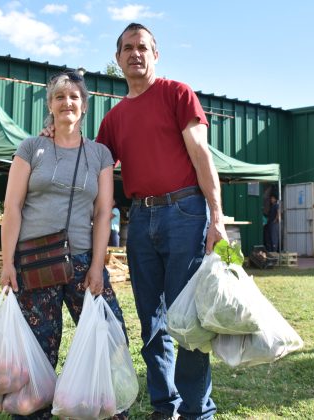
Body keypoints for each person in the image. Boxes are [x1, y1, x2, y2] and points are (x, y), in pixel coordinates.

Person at [96, 23, 228, 420]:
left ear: (156, 55)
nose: (135, 54)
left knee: (186, 319)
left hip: (185, 212)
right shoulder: (115, 118)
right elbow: (94, 168)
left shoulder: (177, 94)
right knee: (150, 321)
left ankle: (195, 410)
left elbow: (201, 155)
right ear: (118, 59)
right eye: (127, 49)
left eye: (143, 47)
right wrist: (54, 134)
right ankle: (164, 406)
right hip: (141, 218)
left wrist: (216, 218)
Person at [0, 71, 129, 420]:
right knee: (40, 344)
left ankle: (107, 406)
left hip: (83, 258)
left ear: (84, 106)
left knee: (110, 334)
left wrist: (98, 265)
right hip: (34, 259)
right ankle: (33, 411)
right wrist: (8, 263)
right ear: (50, 105)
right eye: (59, 97)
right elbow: (12, 207)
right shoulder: (31, 147)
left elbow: (104, 212)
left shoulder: (100, 154)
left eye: (74, 97)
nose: (67, 102)